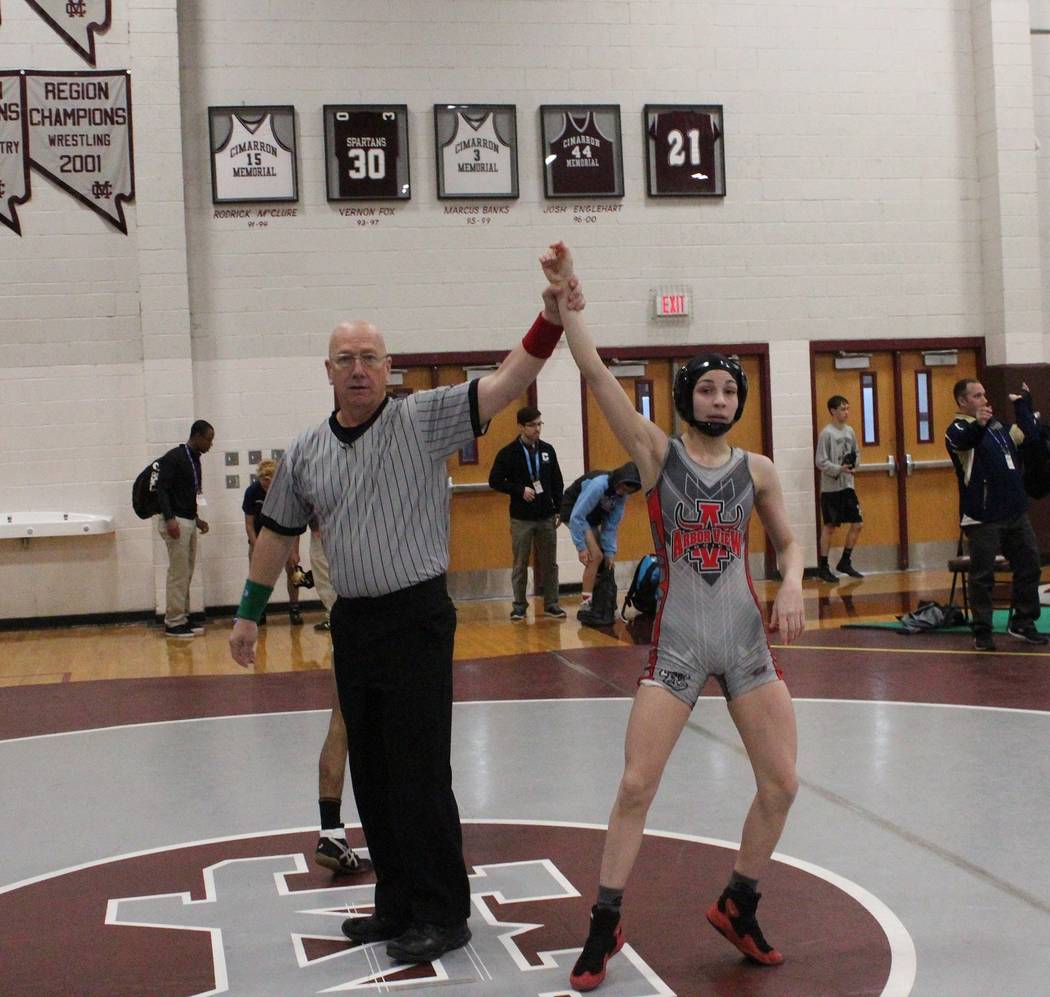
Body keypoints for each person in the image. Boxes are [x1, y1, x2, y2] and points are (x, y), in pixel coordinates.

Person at [228, 246, 584, 965]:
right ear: (325, 371)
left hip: (417, 617)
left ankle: (443, 912)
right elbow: (277, 531)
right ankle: (395, 902)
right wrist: (246, 610)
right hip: (354, 623)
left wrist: (548, 318)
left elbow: (510, 380)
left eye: (370, 356)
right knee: (374, 773)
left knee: (421, 771)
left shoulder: (423, 419)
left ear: (389, 368)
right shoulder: (303, 453)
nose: (358, 368)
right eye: (344, 357)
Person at [543, 244, 805, 989]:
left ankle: (738, 900)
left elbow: (790, 545)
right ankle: (605, 920)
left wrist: (791, 580)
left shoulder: (758, 470)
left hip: (747, 644)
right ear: (686, 395)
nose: (720, 400)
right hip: (680, 645)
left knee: (782, 783)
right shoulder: (657, 455)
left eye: (731, 390)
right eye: (709, 389)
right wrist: (570, 306)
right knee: (635, 784)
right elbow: (596, 378)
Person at [945, 379, 1047, 651]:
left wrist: (1023, 406)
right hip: (983, 516)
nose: (984, 400)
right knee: (982, 576)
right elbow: (966, 441)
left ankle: (1023, 622)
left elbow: (1028, 434)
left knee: (1030, 564)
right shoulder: (957, 429)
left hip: (1014, 510)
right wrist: (978, 424)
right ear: (963, 402)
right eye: (977, 396)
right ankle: (982, 631)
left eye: (985, 395)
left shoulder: (998, 426)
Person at [308, 517, 369, 875]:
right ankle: (400, 834)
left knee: (340, 720)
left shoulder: (313, 468)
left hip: (343, 618)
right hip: (377, 609)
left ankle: (330, 830)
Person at [488, 405, 566, 621]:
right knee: (521, 563)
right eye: (532, 425)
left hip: (546, 516)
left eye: (540, 424)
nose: (537, 429)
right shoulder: (508, 453)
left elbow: (557, 481)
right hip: (521, 518)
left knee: (549, 563)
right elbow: (494, 480)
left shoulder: (547, 451)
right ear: (521, 426)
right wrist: (519, 490)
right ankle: (519, 606)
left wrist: (559, 508)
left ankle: (551, 603)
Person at [155, 420, 214, 638]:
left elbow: (186, 494)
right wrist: (170, 519)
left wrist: (196, 519)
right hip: (176, 522)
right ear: (196, 436)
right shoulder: (175, 457)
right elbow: (162, 490)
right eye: (208, 438)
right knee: (178, 573)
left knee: (186, 572)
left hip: (187, 519)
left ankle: (183, 617)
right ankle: (173, 622)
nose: (210, 444)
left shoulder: (195, 459)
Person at [567, 463, 642, 613]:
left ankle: (601, 599)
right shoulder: (599, 485)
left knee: (605, 560)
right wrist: (581, 547)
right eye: (622, 487)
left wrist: (610, 552)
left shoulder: (621, 497)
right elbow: (577, 516)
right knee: (596, 556)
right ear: (618, 480)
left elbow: (611, 525)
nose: (622, 492)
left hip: (591, 518)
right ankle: (586, 603)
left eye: (627, 491)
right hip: (573, 511)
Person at [241, 459, 303, 625]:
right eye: (264, 481)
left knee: (293, 574)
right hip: (259, 538)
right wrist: (256, 546)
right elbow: (249, 524)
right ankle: (258, 612)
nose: (267, 485)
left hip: (284, 538)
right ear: (260, 479)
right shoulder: (252, 492)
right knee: (257, 577)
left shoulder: (285, 493)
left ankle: (294, 608)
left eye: (271, 481)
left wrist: (295, 551)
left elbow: (295, 523)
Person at [814, 395, 863, 583]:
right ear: (833, 411)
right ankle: (823, 566)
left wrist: (853, 464)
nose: (846, 412)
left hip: (847, 485)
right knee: (830, 526)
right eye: (842, 409)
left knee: (858, 523)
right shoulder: (826, 433)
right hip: (831, 488)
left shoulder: (850, 431)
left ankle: (845, 560)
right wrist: (837, 469)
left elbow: (856, 452)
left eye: (848, 408)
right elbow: (820, 461)